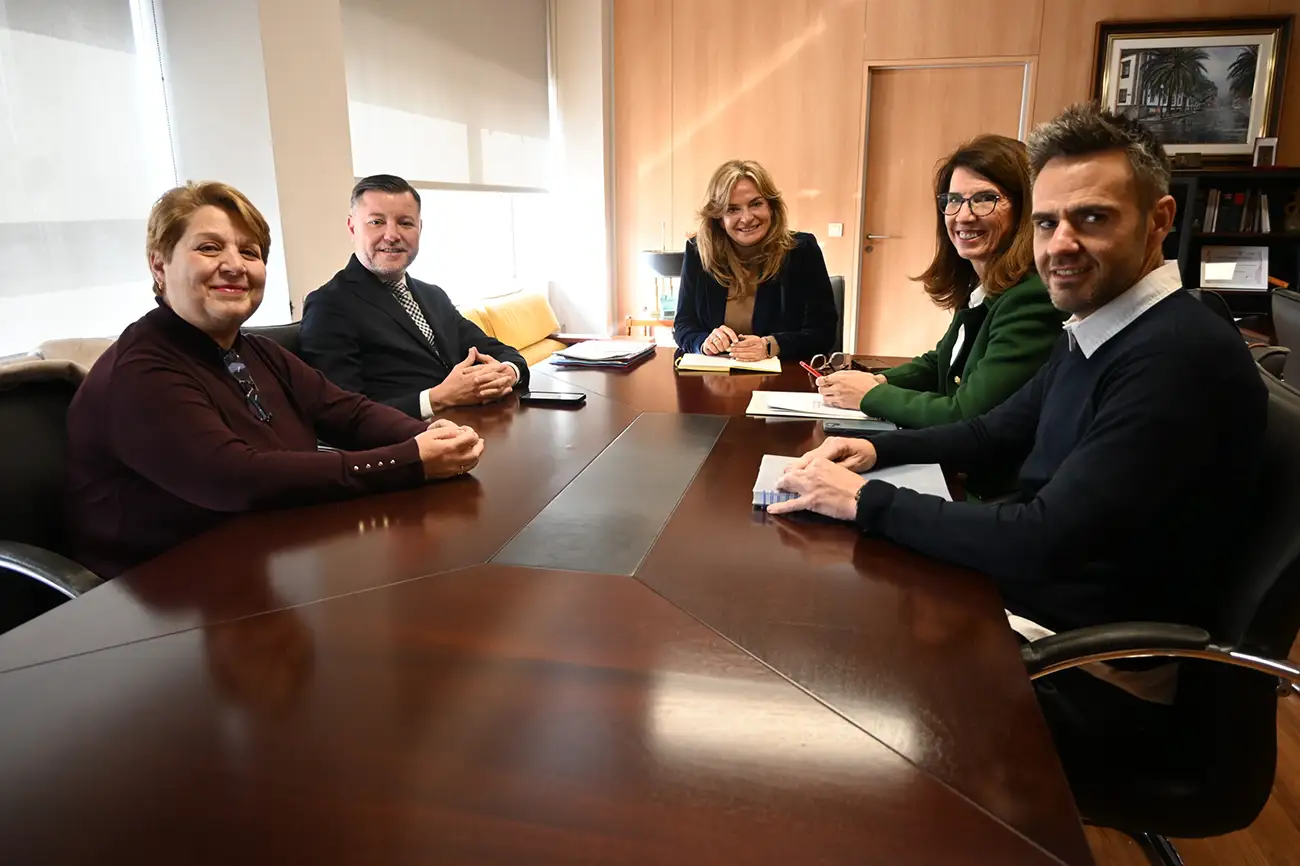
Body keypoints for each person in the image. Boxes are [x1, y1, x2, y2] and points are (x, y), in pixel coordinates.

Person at [767, 104, 1266, 713]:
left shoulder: (1174, 356)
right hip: (1041, 602)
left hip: (1092, 662)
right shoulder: (1100, 326)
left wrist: (863, 499)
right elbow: (994, 430)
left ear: (1159, 220)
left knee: (830, 679)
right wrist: (878, 448)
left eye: (1092, 219)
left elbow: (1045, 537)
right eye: (1048, 222)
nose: (1060, 246)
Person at [64, 181, 486, 578]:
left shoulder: (254, 351)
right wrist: (408, 459)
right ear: (160, 264)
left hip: (267, 557)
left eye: (249, 253)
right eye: (209, 248)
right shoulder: (140, 370)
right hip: (159, 598)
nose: (233, 266)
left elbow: (347, 412)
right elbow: (237, 479)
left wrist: (435, 435)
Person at [816, 136, 1064, 492]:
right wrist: (881, 381)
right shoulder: (986, 285)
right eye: (953, 201)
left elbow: (967, 414)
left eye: (983, 199)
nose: (963, 215)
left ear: (1025, 208)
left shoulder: (1031, 297)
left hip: (994, 492)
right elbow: (941, 362)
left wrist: (869, 397)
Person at [300, 174, 529, 419]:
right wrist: (437, 399)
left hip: (475, 428)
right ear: (352, 227)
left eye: (405, 223)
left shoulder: (433, 295)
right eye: (376, 222)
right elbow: (341, 413)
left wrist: (508, 372)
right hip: (408, 445)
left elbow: (497, 350)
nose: (392, 235)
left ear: (419, 228)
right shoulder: (329, 304)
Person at [672, 160, 838, 362]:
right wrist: (703, 342)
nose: (747, 218)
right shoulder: (698, 251)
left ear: (771, 208)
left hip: (781, 380)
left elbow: (823, 333)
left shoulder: (801, 250)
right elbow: (683, 325)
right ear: (719, 219)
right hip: (713, 377)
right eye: (732, 209)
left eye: (756, 204)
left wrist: (771, 345)